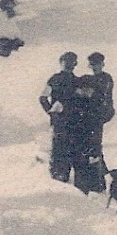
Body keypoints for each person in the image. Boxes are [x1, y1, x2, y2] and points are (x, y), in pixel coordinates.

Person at [39, 52, 89, 188]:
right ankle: (58, 180)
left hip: (75, 123)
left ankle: (74, 187)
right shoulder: (54, 79)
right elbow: (43, 98)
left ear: (75, 64)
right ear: (60, 62)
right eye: (66, 60)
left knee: (74, 152)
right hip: (60, 123)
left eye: (72, 61)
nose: (69, 63)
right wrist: (51, 113)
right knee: (59, 151)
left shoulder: (78, 81)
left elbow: (85, 100)